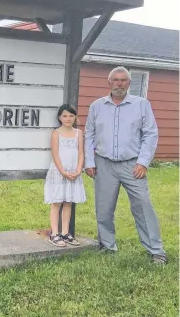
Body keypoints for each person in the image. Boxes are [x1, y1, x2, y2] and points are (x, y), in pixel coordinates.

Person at [84, 66, 166, 264]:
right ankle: (107, 245)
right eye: (116, 80)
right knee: (103, 208)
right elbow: (89, 134)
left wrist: (143, 162)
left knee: (143, 206)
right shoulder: (97, 106)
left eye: (123, 80)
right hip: (104, 163)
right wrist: (89, 161)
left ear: (129, 83)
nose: (119, 83)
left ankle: (156, 251)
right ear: (109, 83)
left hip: (133, 165)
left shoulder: (141, 105)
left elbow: (150, 134)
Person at [44, 104, 86, 247]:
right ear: (59, 118)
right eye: (65, 116)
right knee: (57, 202)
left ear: (75, 117)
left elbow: (81, 153)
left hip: (74, 171)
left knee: (68, 202)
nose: (68, 119)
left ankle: (65, 232)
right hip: (59, 171)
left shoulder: (78, 133)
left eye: (71, 116)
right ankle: (54, 233)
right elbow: (55, 154)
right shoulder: (56, 133)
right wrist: (62, 171)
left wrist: (79, 169)